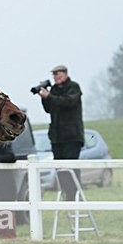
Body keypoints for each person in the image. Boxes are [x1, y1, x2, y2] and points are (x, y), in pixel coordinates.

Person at [38, 65, 84, 202]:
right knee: (60, 170)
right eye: (54, 75)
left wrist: (50, 96)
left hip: (72, 136)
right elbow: (49, 109)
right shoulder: (54, 90)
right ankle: (66, 195)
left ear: (65, 74)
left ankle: (75, 196)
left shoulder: (74, 87)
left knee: (71, 168)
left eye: (58, 74)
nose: (56, 77)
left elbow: (68, 102)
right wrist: (44, 97)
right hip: (57, 137)